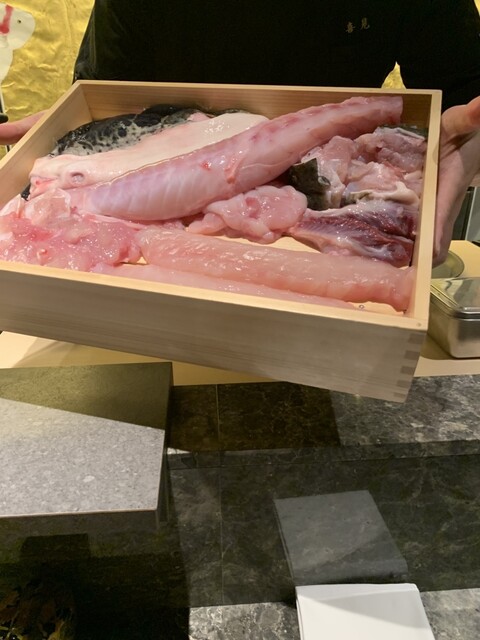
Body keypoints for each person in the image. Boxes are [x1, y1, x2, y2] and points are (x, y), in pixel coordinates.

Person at [0, 0, 479, 264]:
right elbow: (106, 93)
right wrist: (72, 140)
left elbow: (467, 94)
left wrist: (461, 154)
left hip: (333, 192)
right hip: (159, 213)